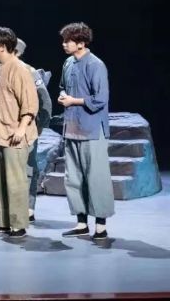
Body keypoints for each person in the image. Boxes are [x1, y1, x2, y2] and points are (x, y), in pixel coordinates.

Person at [57, 22, 114, 240]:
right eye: (63, 41)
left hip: (92, 129)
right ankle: (81, 223)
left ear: (81, 43)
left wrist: (74, 101)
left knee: (96, 177)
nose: (64, 44)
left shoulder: (95, 65)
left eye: (68, 41)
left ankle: (100, 226)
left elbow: (101, 99)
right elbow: (63, 86)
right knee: (73, 177)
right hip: (72, 127)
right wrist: (63, 96)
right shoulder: (68, 63)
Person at [0, 28, 38, 238]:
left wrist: (22, 128)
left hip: (14, 135)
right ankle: (4, 221)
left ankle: (18, 224)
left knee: (15, 181)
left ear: (3, 47)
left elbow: (30, 103)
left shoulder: (19, 69)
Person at [14, 38, 53, 222]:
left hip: (27, 127)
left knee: (28, 167)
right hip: (7, 128)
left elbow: (45, 100)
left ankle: (28, 207)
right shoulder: (1, 70)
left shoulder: (29, 71)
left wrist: (41, 125)